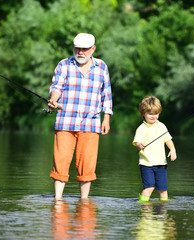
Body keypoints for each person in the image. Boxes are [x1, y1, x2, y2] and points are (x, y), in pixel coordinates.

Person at [48, 33, 113, 200]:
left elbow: (106, 94)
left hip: (91, 123)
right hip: (65, 121)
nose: (81, 52)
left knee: (87, 164)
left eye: (85, 49)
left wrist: (106, 118)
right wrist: (54, 99)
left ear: (93, 49)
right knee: (60, 161)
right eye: (78, 48)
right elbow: (57, 86)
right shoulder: (64, 64)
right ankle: (58, 199)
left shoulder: (101, 66)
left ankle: (84, 201)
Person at [133, 96, 177, 202]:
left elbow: (168, 140)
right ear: (143, 114)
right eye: (150, 114)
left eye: (156, 113)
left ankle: (163, 209)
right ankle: (143, 206)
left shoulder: (162, 126)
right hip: (146, 164)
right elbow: (137, 142)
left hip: (161, 163)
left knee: (163, 189)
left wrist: (173, 150)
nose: (154, 116)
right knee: (149, 187)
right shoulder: (141, 128)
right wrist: (140, 145)